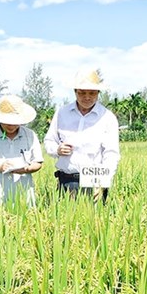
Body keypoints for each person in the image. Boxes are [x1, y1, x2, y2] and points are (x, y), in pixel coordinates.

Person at [44, 68, 120, 201]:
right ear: (75, 92)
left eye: (92, 93)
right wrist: (57, 149)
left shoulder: (107, 118)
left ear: (98, 93)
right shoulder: (62, 113)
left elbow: (111, 154)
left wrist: (103, 182)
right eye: (82, 93)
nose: (87, 97)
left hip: (94, 181)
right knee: (64, 220)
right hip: (66, 181)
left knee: (94, 221)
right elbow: (49, 141)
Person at [0, 95, 44, 206]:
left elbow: (38, 162)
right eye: (7, 122)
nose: (11, 126)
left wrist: (26, 169)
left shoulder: (30, 135)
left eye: (15, 122)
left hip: (25, 197)